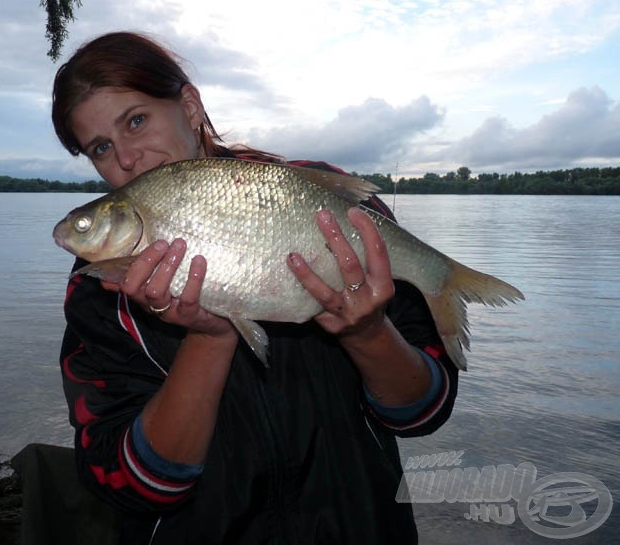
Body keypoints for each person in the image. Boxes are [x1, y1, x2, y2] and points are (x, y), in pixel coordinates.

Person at [50, 31, 459, 544]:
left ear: (190, 106)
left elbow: (426, 410)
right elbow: (129, 484)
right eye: (101, 148)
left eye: (136, 120)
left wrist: (368, 334)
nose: (128, 158)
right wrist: (209, 339)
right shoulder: (100, 289)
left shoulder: (325, 201)